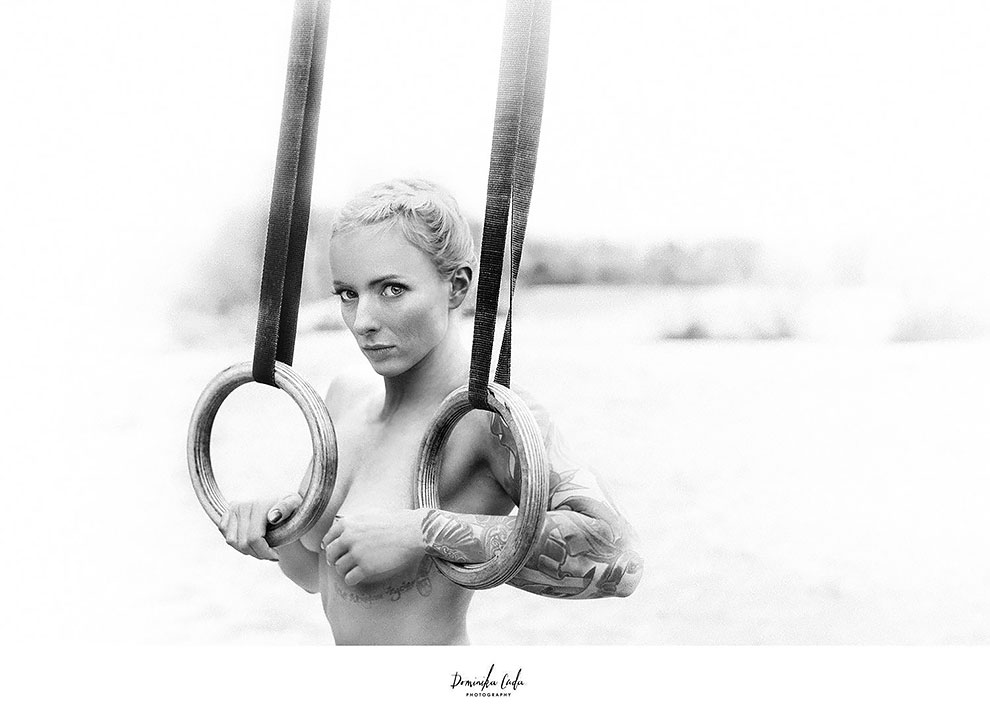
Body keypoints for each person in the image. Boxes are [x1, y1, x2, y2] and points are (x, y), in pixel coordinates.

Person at [219, 178, 643, 645]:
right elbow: (316, 576)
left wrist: (424, 532)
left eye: (392, 289)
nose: (363, 322)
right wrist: (270, 529)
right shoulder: (345, 395)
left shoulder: (489, 418)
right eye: (348, 294)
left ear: (456, 286)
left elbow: (619, 559)